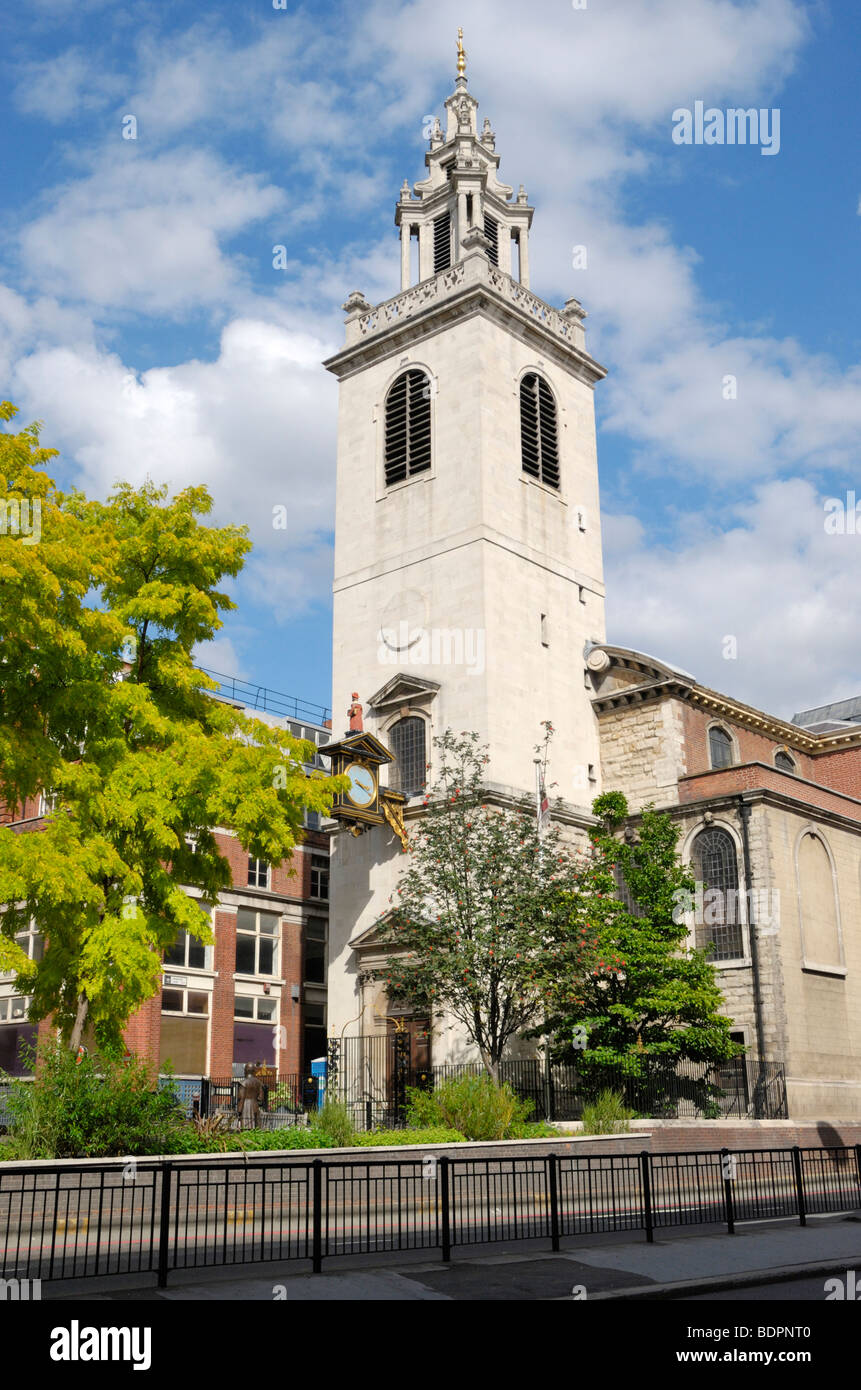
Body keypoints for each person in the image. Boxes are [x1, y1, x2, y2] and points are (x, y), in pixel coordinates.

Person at [237, 1063, 265, 1129]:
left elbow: (241, 1098)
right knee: (256, 1126)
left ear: (246, 1071)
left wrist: (239, 1111)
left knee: (246, 1126)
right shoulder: (259, 1083)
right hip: (255, 1105)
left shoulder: (243, 1083)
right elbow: (261, 1098)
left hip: (245, 1106)